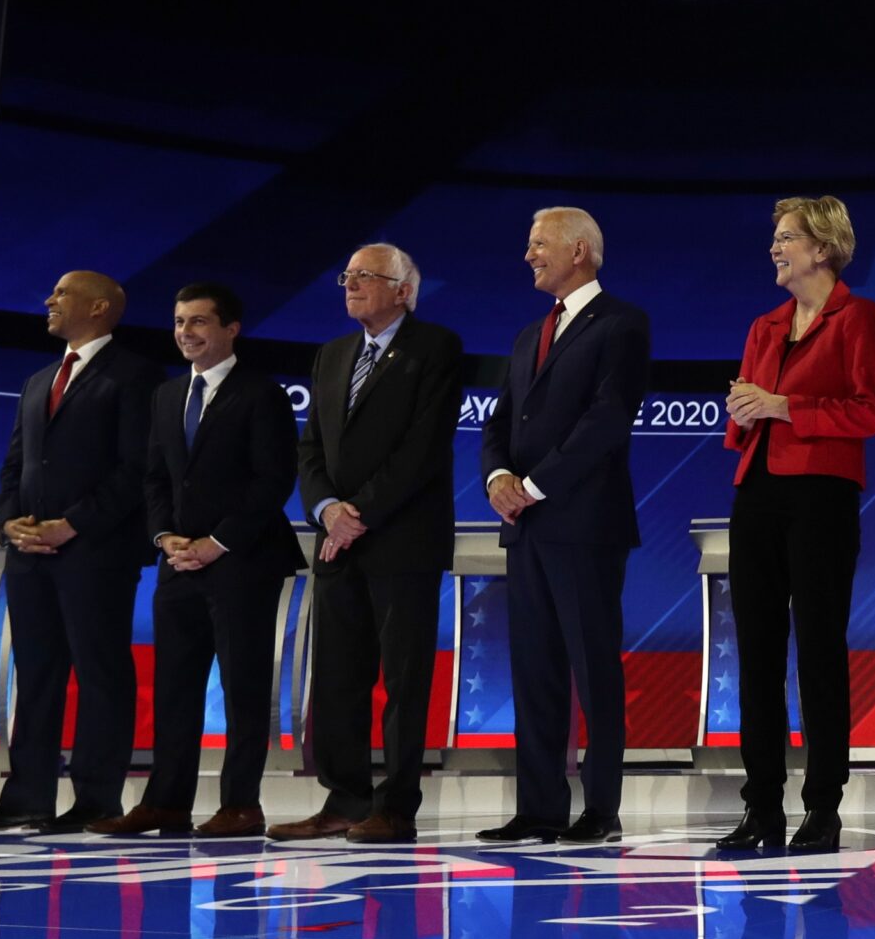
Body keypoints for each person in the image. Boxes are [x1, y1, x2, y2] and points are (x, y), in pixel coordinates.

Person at [91, 284, 306, 838]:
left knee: (243, 686)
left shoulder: (262, 394)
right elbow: (155, 478)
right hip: (177, 563)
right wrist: (165, 537)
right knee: (174, 688)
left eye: (199, 322)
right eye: (180, 321)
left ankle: (241, 804)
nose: (187, 332)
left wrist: (218, 541)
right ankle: (166, 801)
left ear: (231, 329)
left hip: (243, 563)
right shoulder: (166, 396)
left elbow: (273, 481)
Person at [0, 273, 159, 835]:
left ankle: (96, 799)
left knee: (100, 674)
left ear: (97, 307)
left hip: (98, 553)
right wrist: (8, 523)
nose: (48, 301)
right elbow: (15, 464)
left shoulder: (136, 375)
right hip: (31, 556)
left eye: (61, 294)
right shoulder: (40, 379)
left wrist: (74, 525)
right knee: (37, 674)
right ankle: (26, 798)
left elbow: (136, 469)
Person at [273, 244, 464, 845]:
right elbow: (311, 450)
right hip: (339, 543)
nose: (351, 286)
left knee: (404, 680)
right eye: (347, 277)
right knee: (336, 677)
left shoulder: (434, 347)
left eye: (366, 278)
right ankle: (345, 798)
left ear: (404, 289)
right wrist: (329, 510)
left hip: (403, 539)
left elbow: (422, 447)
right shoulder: (332, 356)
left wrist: (362, 513)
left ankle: (397, 806)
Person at [718, 196, 875, 853]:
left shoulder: (859, 317)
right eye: (775, 237)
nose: (775, 247)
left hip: (822, 494)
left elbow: (868, 410)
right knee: (757, 657)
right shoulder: (765, 325)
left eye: (787, 237)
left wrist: (783, 404)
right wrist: (746, 406)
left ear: (822, 248)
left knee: (818, 651)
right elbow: (747, 418)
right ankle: (761, 807)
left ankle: (823, 807)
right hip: (756, 491)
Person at [478, 207, 651, 845]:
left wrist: (534, 485)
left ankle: (600, 809)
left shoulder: (623, 324)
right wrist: (498, 480)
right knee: (534, 668)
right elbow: (500, 424)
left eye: (538, 244)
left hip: (585, 524)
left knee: (592, 667)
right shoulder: (530, 334)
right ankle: (540, 808)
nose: (529, 255)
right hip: (526, 527)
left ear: (578, 250)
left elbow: (606, 421)